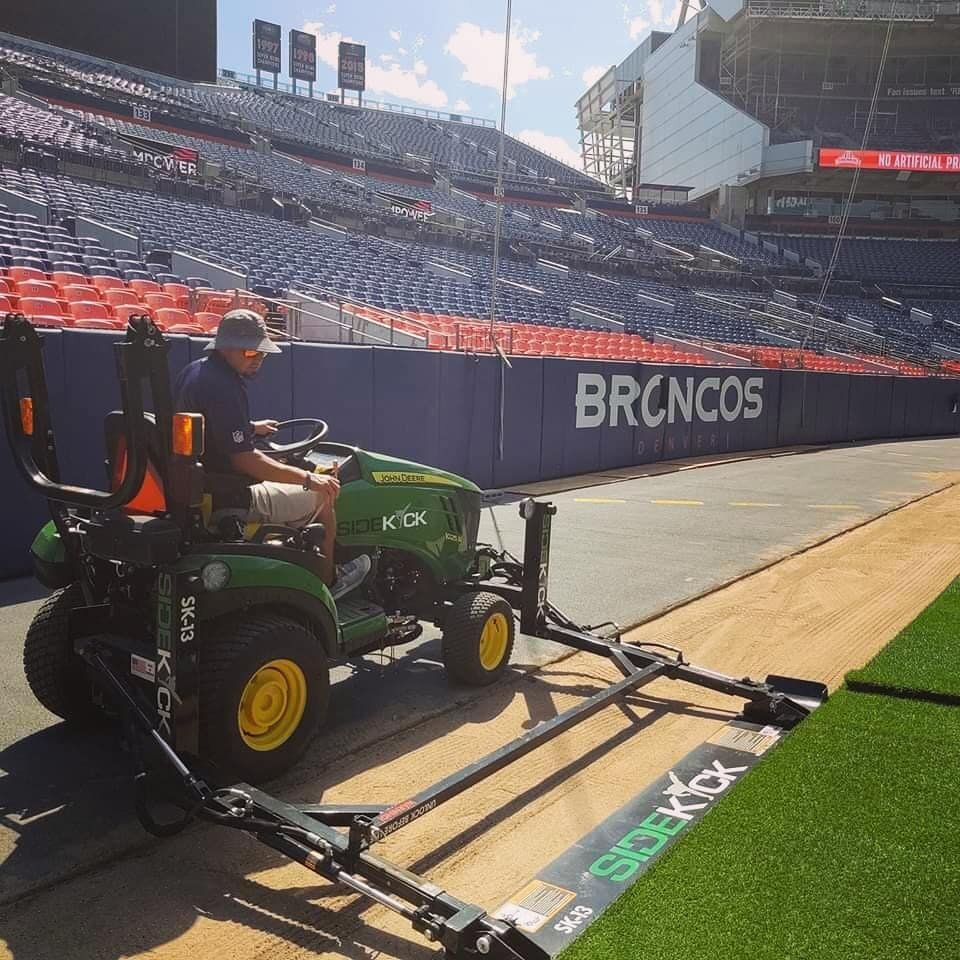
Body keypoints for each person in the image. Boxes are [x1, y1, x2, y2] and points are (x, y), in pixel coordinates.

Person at [173, 309, 370, 599]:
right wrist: (309, 479)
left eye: (262, 352)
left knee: (293, 479)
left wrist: (251, 427)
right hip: (231, 496)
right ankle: (330, 580)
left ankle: (298, 559)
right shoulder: (224, 386)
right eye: (254, 352)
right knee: (324, 495)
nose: (260, 359)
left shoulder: (197, 371)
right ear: (227, 347)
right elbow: (246, 460)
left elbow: (211, 427)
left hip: (205, 486)